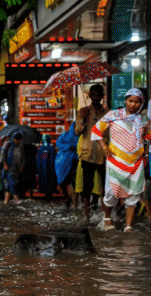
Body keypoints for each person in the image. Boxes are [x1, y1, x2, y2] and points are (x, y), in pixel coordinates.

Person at [92, 88, 151, 232]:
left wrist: (146, 153)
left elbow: (148, 136)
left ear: (141, 103)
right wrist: (104, 147)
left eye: (137, 102)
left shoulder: (144, 119)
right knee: (112, 192)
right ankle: (107, 217)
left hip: (136, 162)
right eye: (130, 101)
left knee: (133, 193)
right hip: (115, 160)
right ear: (125, 101)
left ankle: (128, 226)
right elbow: (96, 130)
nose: (133, 104)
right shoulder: (113, 115)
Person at [75, 84, 108, 223]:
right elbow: (77, 132)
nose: (95, 97)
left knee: (106, 185)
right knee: (87, 185)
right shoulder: (83, 111)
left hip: (104, 154)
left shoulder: (108, 113)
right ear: (89, 96)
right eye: (92, 94)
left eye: (98, 94)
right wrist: (83, 121)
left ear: (102, 96)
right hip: (87, 153)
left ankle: (106, 214)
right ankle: (88, 215)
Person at [55, 122, 79, 208]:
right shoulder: (65, 135)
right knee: (62, 182)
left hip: (75, 162)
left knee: (76, 183)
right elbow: (58, 144)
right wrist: (69, 147)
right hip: (63, 163)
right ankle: (66, 199)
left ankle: (75, 203)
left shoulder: (80, 137)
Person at [1, 132, 25, 203]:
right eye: (17, 139)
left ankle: (6, 202)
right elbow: (2, 153)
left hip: (16, 169)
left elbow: (22, 157)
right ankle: (17, 201)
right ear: (14, 138)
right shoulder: (8, 144)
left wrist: (21, 166)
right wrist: (4, 163)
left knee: (9, 186)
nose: (18, 141)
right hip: (8, 168)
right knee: (12, 184)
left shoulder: (20, 146)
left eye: (19, 140)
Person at [36, 134, 57, 202]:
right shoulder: (52, 148)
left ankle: (46, 197)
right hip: (51, 170)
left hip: (42, 170)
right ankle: (49, 197)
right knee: (50, 184)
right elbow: (55, 159)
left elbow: (38, 161)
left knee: (44, 183)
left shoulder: (40, 149)